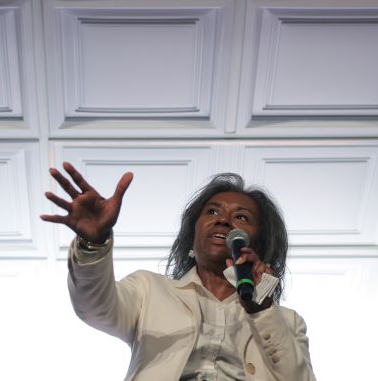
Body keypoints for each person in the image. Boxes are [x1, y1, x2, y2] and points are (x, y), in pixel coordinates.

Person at [41, 162, 316, 380]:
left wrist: (262, 310)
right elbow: (94, 307)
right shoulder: (149, 290)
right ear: (193, 232)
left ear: (259, 241)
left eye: (241, 217)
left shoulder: (288, 322)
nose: (223, 220)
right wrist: (95, 242)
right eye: (211, 212)